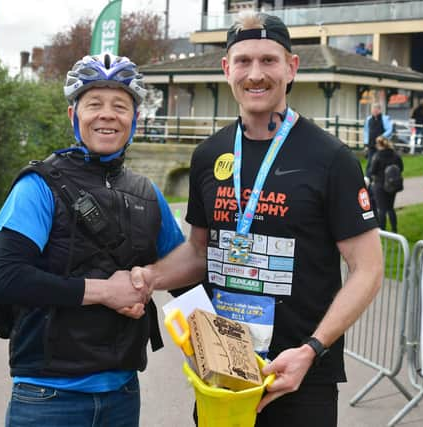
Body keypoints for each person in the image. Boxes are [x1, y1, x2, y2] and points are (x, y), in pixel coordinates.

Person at [131, 11, 383, 427]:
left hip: (301, 374)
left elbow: (369, 269)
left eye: (269, 60)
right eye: (244, 61)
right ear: (227, 69)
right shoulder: (209, 156)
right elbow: (198, 251)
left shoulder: (330, 158)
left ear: (291, 68)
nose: (256, 74)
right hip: (223, 373)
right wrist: (149, 279)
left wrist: (312, 350)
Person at [0, 53, 184, 427]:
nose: (107, 114)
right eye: (94, 104)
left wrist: (237, 340)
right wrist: (106, 292)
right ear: (73, 116)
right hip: (47, 396)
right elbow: (7, 278)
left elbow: (185, 275)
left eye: (120, 106)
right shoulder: (39, 186)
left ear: (135, 120)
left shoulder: (147, 193)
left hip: (122, 394)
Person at [369, 136, 404, 232]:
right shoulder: (395, 155)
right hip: (392, 184)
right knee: (390, 208)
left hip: (380, 185)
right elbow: (401, 168)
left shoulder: (377, 156)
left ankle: (382, 231)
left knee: (381, 209)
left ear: (379, 145)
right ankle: (394, 230)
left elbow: (372, 171)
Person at [363, 102, 393, 177]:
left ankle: (384, 177)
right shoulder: (368, 119)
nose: (374, 111)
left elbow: (389, 129)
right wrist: (366, 143)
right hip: (372, 144)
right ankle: (367, 178)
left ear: (379, 110)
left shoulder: (385, 118)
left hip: (382, 144)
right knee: (370, 162)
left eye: (376, 109)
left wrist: (382, 136)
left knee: (382, 161)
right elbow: (366, 131)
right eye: (373, 110)